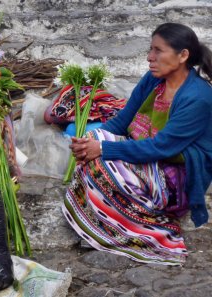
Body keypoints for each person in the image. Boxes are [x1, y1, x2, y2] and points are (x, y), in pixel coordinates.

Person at [62, 23, 212, 265]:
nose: (149, 57)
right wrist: (92, 140)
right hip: (149, 156)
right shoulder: (154, 79)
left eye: (158, 51)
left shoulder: (198, 97)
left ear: (183, 55)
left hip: (176, 177)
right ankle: (104, 222)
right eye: (150, 49)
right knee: (90, 151)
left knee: (101, 168)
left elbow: (161, 147)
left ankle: (154, 230)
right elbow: (123, 121)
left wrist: (102, 149)